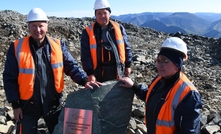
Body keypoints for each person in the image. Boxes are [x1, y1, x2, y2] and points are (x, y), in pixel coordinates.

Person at [3, 8, 101, 134]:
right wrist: (15, 105)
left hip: (53, 104)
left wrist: (84, 81)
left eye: (40, 26)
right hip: (27, 106)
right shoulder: (16, 47)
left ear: (47, 26)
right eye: (33, 26)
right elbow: (9, 77)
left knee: (60, 131)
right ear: (28, 26)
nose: (37, 30)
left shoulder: (58, 45)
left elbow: (71, 66)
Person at [119, 37, 202, 134]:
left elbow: (189, 131)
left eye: (165, 61)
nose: (159, 65)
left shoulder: (189, 94)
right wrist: (134, 86)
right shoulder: (160, 79)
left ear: (177, 65)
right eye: (158, 60)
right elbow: (151, 97)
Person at [80, 0, 133, 82]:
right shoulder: (88, 31)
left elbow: (126, 47)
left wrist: (128, 65)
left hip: (118, 70)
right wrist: (90, 73)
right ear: (95, 15)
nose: (102, 16)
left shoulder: (119, 28)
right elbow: (85, 55)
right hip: (97, 72)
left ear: (109, 14)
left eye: (105, 13)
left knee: (117, 93)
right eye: (99, 13)